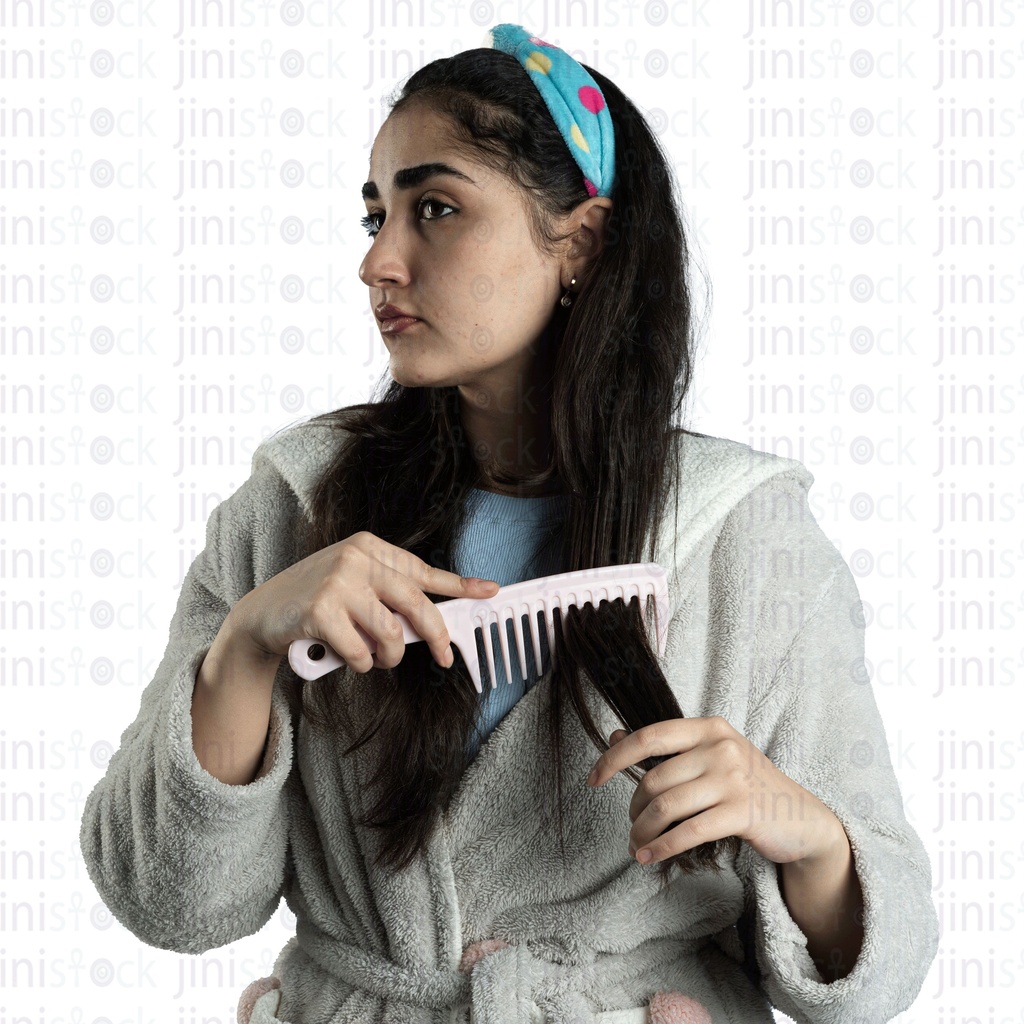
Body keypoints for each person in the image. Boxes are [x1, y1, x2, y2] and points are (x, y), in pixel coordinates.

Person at [80, 24, 938, 1024]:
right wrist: (244, 651)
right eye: (375, 217)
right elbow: (169, 904)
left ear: (579, 241)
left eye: (435, 209)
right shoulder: (292, 506)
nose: (380, 263)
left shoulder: (740, 535)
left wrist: (813, 836)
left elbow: (875, 974)